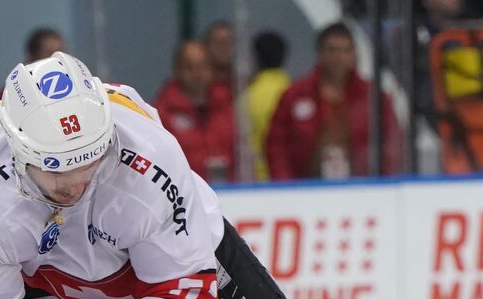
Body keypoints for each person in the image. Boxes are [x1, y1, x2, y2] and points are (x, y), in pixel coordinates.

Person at [266, 22, 400, 179]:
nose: (339, 57)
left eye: (345, 50)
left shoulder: (373, 97)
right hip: (305, 186)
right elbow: (276, 145)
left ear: (354, 54)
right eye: (332, 50)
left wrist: (383, 183)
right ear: (319, 53)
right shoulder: (295, 95)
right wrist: (286, 185)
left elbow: (392, 143)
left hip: (362, 186)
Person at [154, 41, 238, 183]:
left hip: (229, 191)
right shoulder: (162, 113)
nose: (197, 73)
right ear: (178, 70)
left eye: (203, 66)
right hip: (183, 194)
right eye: (189, 67)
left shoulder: (228, 107)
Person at [242, 31, 292, 181]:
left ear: (256, 57)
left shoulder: (248, 97)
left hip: (258, 178)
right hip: (288, 177)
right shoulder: (293, 92)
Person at [0, 27, 67, 106]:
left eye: (60, 52)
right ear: (34, 55)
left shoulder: (71, 90)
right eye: (50, 53)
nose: (56, 59)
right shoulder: (6, 98)